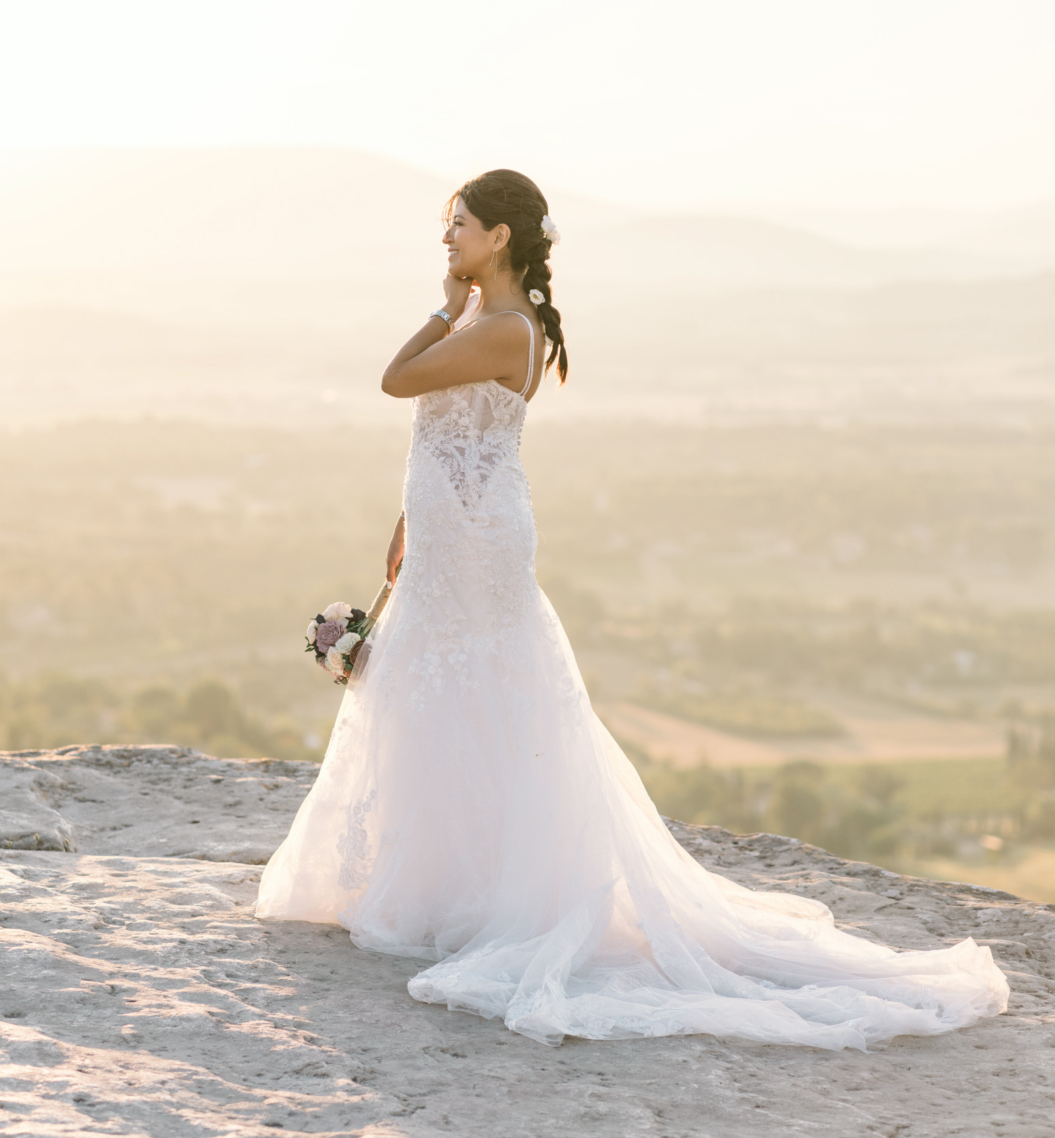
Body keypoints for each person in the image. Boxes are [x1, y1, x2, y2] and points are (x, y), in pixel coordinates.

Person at [256, 168, 1008, 1049]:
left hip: (479, 544)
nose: (447, 239)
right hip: (449, 530)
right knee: (433, 688)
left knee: (478, 686)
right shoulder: (489, 322)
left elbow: (398, 382)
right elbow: (455, 437)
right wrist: (408, 523)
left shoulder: (499, 327)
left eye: (458, 226)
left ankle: (491, 897)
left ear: (498, 237)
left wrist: (439, 303)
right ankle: (429, 881)